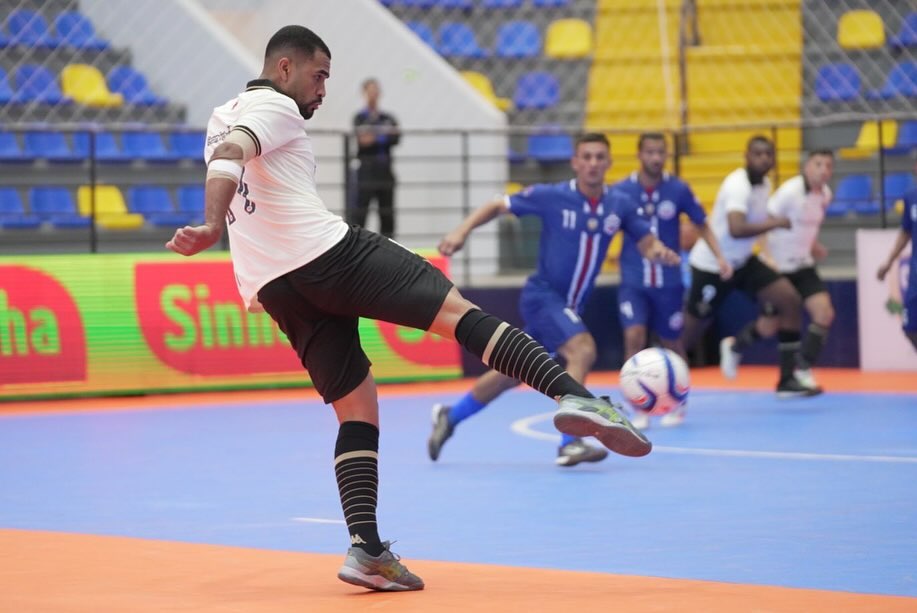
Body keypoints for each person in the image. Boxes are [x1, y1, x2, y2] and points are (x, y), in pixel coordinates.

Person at [166, 26, 652, 593]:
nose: (323, 89)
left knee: (357, 406)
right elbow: (232, 156)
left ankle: (366, 550)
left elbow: (229, 154)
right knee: (456, 313)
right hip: (325, 254)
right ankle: (576, 396)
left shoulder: (220, 115)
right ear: (285, 68)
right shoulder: (275, 107)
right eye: (319, 75)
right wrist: (210, 225)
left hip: (274, 286)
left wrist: (218, 224)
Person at [428, 133, 681, 467]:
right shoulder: (552, 196)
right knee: (583, 349)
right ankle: (570, 443)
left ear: (609, 162)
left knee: (511, 372)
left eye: (599, 157)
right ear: (575, 162)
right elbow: (498, 205)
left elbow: (646, 241)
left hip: (571, 307)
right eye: (586, 157)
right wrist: (461, 231)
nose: (593, 163)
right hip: (543, 296)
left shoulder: (619, 204)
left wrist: (659, 252)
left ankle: (451, 416)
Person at [680, 136, 820, 397]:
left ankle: (787, 380)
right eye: (758, 154)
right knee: (690, 331)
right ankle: (660, 379)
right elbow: (736, 228)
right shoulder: (738, 185)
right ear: (746, 156)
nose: (764, 159)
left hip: (743, 261)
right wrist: (776, 223)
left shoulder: (765, 184)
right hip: (713, 265)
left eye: (769, 154)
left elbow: (755, 224)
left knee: (789, 299)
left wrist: (769, 252)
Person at [614, 133, 732, 428]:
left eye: (660, 152)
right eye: (650, 152)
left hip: (668, 281)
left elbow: (701, 223)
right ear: (639, 155)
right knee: (634, 336)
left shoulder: (678, 189)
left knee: (672, 341)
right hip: (633, 279)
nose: (656, 158)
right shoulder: (621, 191)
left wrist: (720, 257)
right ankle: (637, 406)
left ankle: (679, 401)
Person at [761, 150, 836, 389]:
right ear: (807, 167)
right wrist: (767, 256)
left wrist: (814, 246)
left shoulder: (825, 195)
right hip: (779, 266)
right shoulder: (789, 191)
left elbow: (807, 226)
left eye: (828, 166)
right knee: (769, 325)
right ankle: (735, 346)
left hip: (803, 264)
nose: (823, 170)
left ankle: (802, 368)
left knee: (824, 313)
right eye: (818, 164)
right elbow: (764, 222)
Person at [346, 78, 399, 238]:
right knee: (360, 214)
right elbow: (363, 140)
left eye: (376, 90)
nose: (373, 94)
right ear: (364, 93)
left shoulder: (388, 117)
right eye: (370, 91)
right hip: (366, 173)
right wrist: (384, 133)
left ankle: (390, 248)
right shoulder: (360, 117)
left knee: (387, 215)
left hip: (385, 172)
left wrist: (374, 134)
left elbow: (396, 137)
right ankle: (358, 247)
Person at [877, 154, 917, 351]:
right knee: (910, 328)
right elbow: (906, 232)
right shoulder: (911, 197)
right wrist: (889, 261)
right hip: (916, 275)